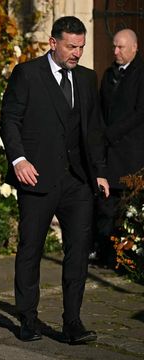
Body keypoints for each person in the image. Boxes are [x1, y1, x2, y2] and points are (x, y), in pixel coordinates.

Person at [0, 16, 109, 344]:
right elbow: (10, 119)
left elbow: (94, 130)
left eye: (81, 47)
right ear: (53, 43)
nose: (77, 53)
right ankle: (28, 318)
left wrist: (100, 171)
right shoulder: (28, 74)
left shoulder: (87, 79)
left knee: (78, 251)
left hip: (77, 180)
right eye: (71, 46)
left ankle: (72, 321)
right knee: (30, 248)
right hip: (36, 177)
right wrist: (18, 159)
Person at [93, 28, 144, 266]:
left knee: (127, 205)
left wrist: (112, 132)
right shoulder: (109, 73)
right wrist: (102, 132)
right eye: (114, 46)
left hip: (131, 151)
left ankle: (126, 257)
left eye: (121, 47)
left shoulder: (141, 73)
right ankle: (105, 253)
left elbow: (140, 112)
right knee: (105, 203)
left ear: (134, 48)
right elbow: (101, 107)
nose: (115, 51)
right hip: (108, 151)